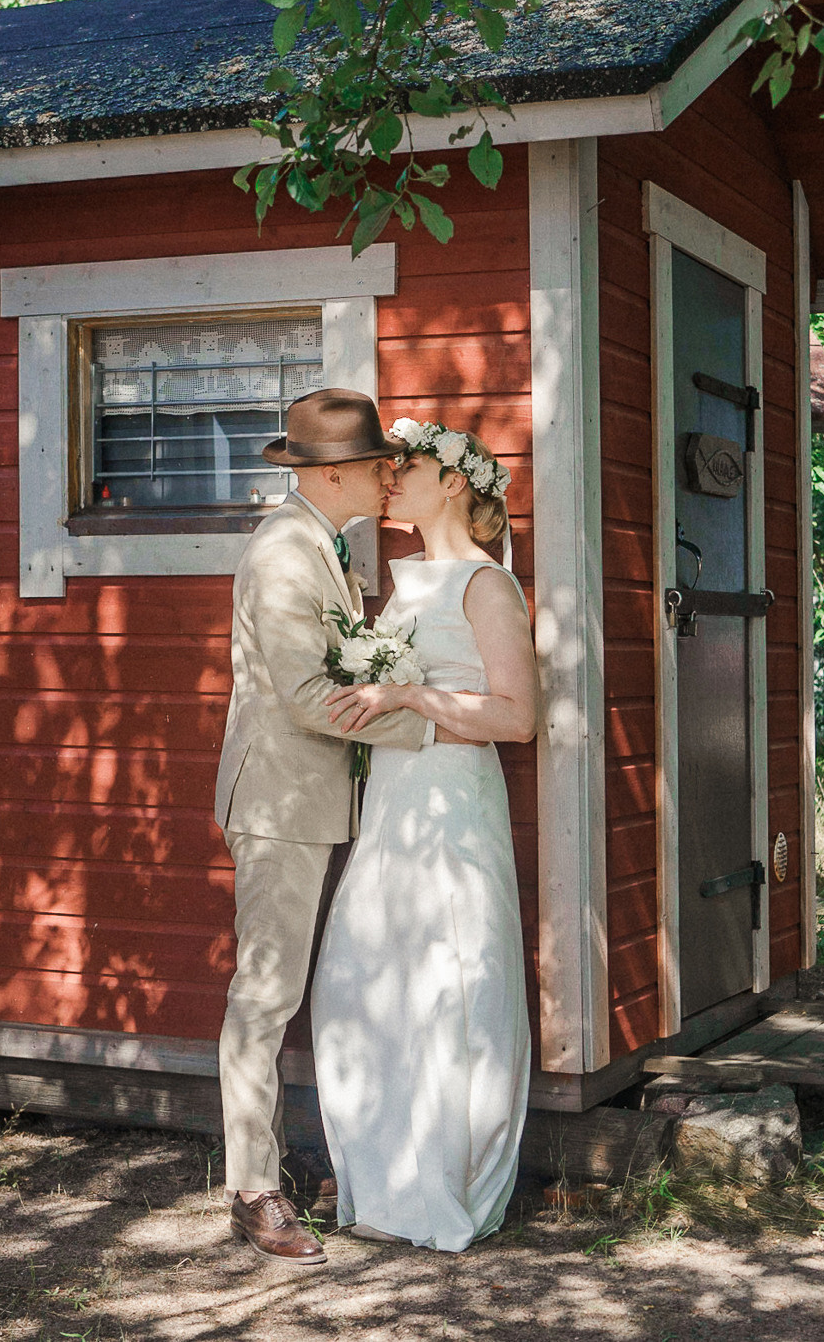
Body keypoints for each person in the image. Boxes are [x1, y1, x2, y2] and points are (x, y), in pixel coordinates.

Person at [212, 388, 437, 1266]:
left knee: (301, 988)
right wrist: (430, 722)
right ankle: (251, 1189)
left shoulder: (327, 547)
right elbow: (307, 700)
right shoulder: (283, 556)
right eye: (379, 463)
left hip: (323, 801)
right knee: (266, 993)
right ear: (333, 472)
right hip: (278, 804)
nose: (390, 474)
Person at [312, 420, 538, 1252]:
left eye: (410, 464)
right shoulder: (404, 586)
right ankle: (383, 1177)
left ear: (455, 483)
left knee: (447, 979)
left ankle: (438, 1183)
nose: (392, 475)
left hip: (453, 801)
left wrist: (408, 698)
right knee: (371, 972)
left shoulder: (486, 586)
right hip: (395, 800)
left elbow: (519, 716)